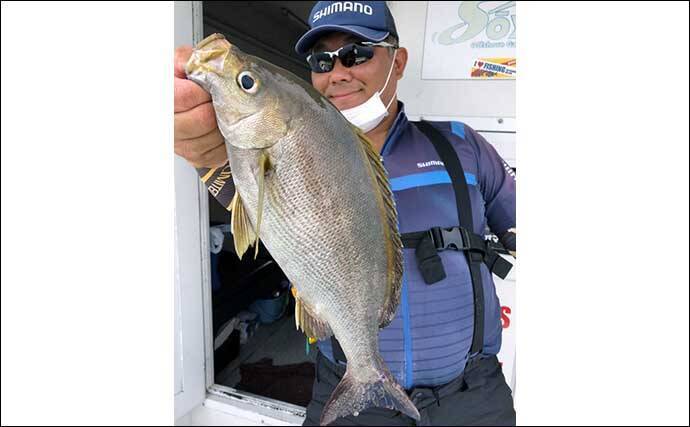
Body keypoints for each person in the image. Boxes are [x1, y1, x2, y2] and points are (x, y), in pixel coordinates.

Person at [174, 2, 516, 425]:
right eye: (322, 61)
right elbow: (254, 212)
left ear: (398, 61)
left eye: (356, 53)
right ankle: (363, 373)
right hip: (350, 395)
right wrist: (207, 157)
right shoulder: (266, 151)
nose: (337, 73)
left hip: (473, 397)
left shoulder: (462, 145)